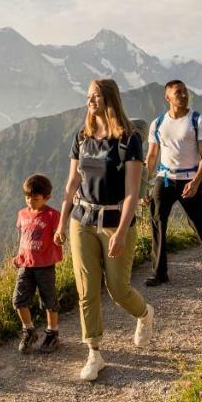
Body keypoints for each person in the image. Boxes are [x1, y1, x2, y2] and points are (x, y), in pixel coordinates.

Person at [54, 78, 154, 381]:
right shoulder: (82, 137)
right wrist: (62, 220)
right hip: (81, 221)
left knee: (117, 289)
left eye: (95, 96)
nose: (90, 101)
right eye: (88, 96)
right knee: (86, 290)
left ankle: (144, 314)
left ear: (109, 98)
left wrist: (122, 232)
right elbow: (73, 183)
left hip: (114, 222)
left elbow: (132, 193)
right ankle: (94, 353)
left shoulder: (128, 140)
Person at [144, 79, 202, 287]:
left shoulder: (198, 121)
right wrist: (144, 184)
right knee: (158, 221)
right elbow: (152, 156)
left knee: (197, 222)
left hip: (190, 179)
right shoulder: (158, 123)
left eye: (185, 91)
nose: (184, 95)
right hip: (165, 178)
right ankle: (159, 272)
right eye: (178, 92)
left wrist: (196, 182)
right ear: (167, 97)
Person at [12, 173, 63, 353]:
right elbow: (23, 236)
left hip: (45, 265)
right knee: (19, 300)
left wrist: (60, 238)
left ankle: (52, 334)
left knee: (48, 301)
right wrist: (19, 256)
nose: (30, 201)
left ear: (46, 197)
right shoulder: (22, 213)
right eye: (27, 197)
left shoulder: (52, 215)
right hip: (26, 265)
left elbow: (59, 235)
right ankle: (29, 331)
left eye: (35, 198)